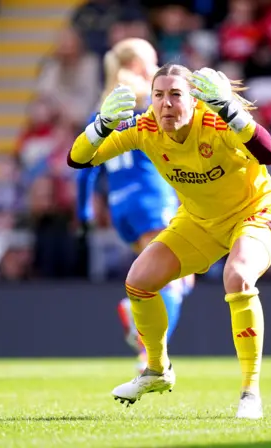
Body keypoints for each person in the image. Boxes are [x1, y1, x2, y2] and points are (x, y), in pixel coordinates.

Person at [68, 63, 271, 419]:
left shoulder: (215, 121)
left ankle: (250, 392)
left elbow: (269, 153)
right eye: (158, 95)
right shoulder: (146, 128)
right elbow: (79, 159)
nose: (165, 104)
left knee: (237, 277)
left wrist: (231, 109)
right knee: (138, 281)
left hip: (256, 214)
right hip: (200, 222)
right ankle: (156, 370)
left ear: (194, 98)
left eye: (175, 94)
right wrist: (100, 126)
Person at [76, 38, 195, 373]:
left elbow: (84, 166)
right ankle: (148, 349)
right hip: (153, 199)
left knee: (179, 278)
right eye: (153, 60)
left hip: (121, 209)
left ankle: (140, 324)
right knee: (173, 281)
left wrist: (84, 212)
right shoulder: (150, 101)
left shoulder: (104, 108)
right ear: (141, 65)